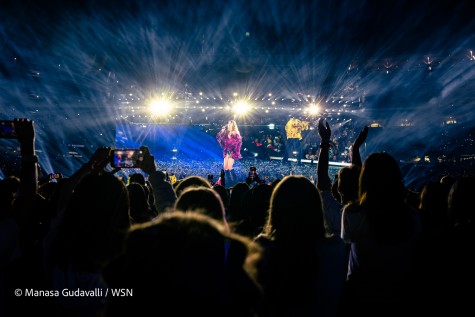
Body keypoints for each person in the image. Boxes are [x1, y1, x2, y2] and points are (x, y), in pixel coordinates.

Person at [216, 120, 242, 187]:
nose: (229, 125)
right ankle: (229, 181)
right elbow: (220, 139)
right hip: (226, 151)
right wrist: (222, 131)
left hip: (232, 152)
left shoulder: (236, 133)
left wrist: (234, 152)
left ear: (233, 125)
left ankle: (236, 182)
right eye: (228, 124)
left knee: (230, 167)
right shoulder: (226, 132)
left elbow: (238, 143)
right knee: (225, 167)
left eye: (230, 124)